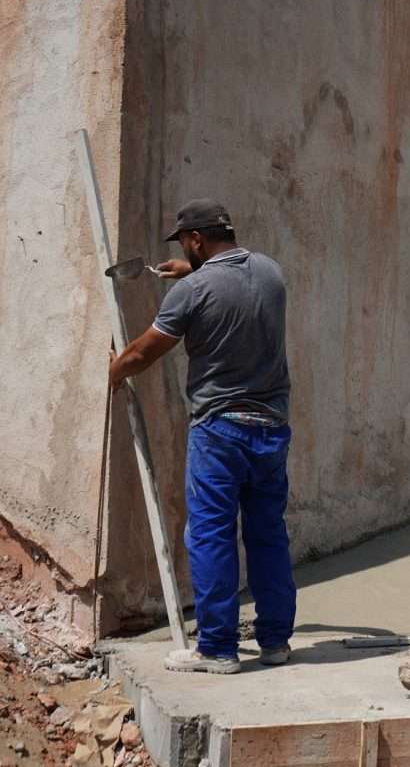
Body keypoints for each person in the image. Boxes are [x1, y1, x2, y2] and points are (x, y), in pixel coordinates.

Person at [108, 199, 294, 674]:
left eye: (185, 244)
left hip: (221, 431)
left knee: (210, 535)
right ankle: (274, 642)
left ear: (195, 240)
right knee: (267, 534)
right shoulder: (271, 273)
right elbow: (232, 284)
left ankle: (217, 648)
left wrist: (112, 371)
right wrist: (187, 274)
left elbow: (144, 352)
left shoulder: (193, 292)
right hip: (271, 428)